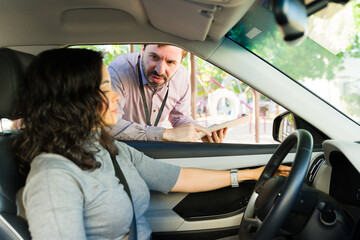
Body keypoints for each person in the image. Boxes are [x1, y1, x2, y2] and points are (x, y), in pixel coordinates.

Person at [14, 48, 291, 240]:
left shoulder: (104, 146)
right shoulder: (53, 177)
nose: (117, 98)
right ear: (76, 99)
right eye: (107, 87)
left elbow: (177, 177)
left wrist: (250, 175)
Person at [108, 44, 227, 143]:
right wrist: (165, 134)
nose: (160, 70)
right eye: (154, 57)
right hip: (120, 147)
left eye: (170, 62)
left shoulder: (182, 76)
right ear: (142, 52)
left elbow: (180, 119)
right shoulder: (118, 71)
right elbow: (109, 126)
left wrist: (203, 132)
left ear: (180, 62)